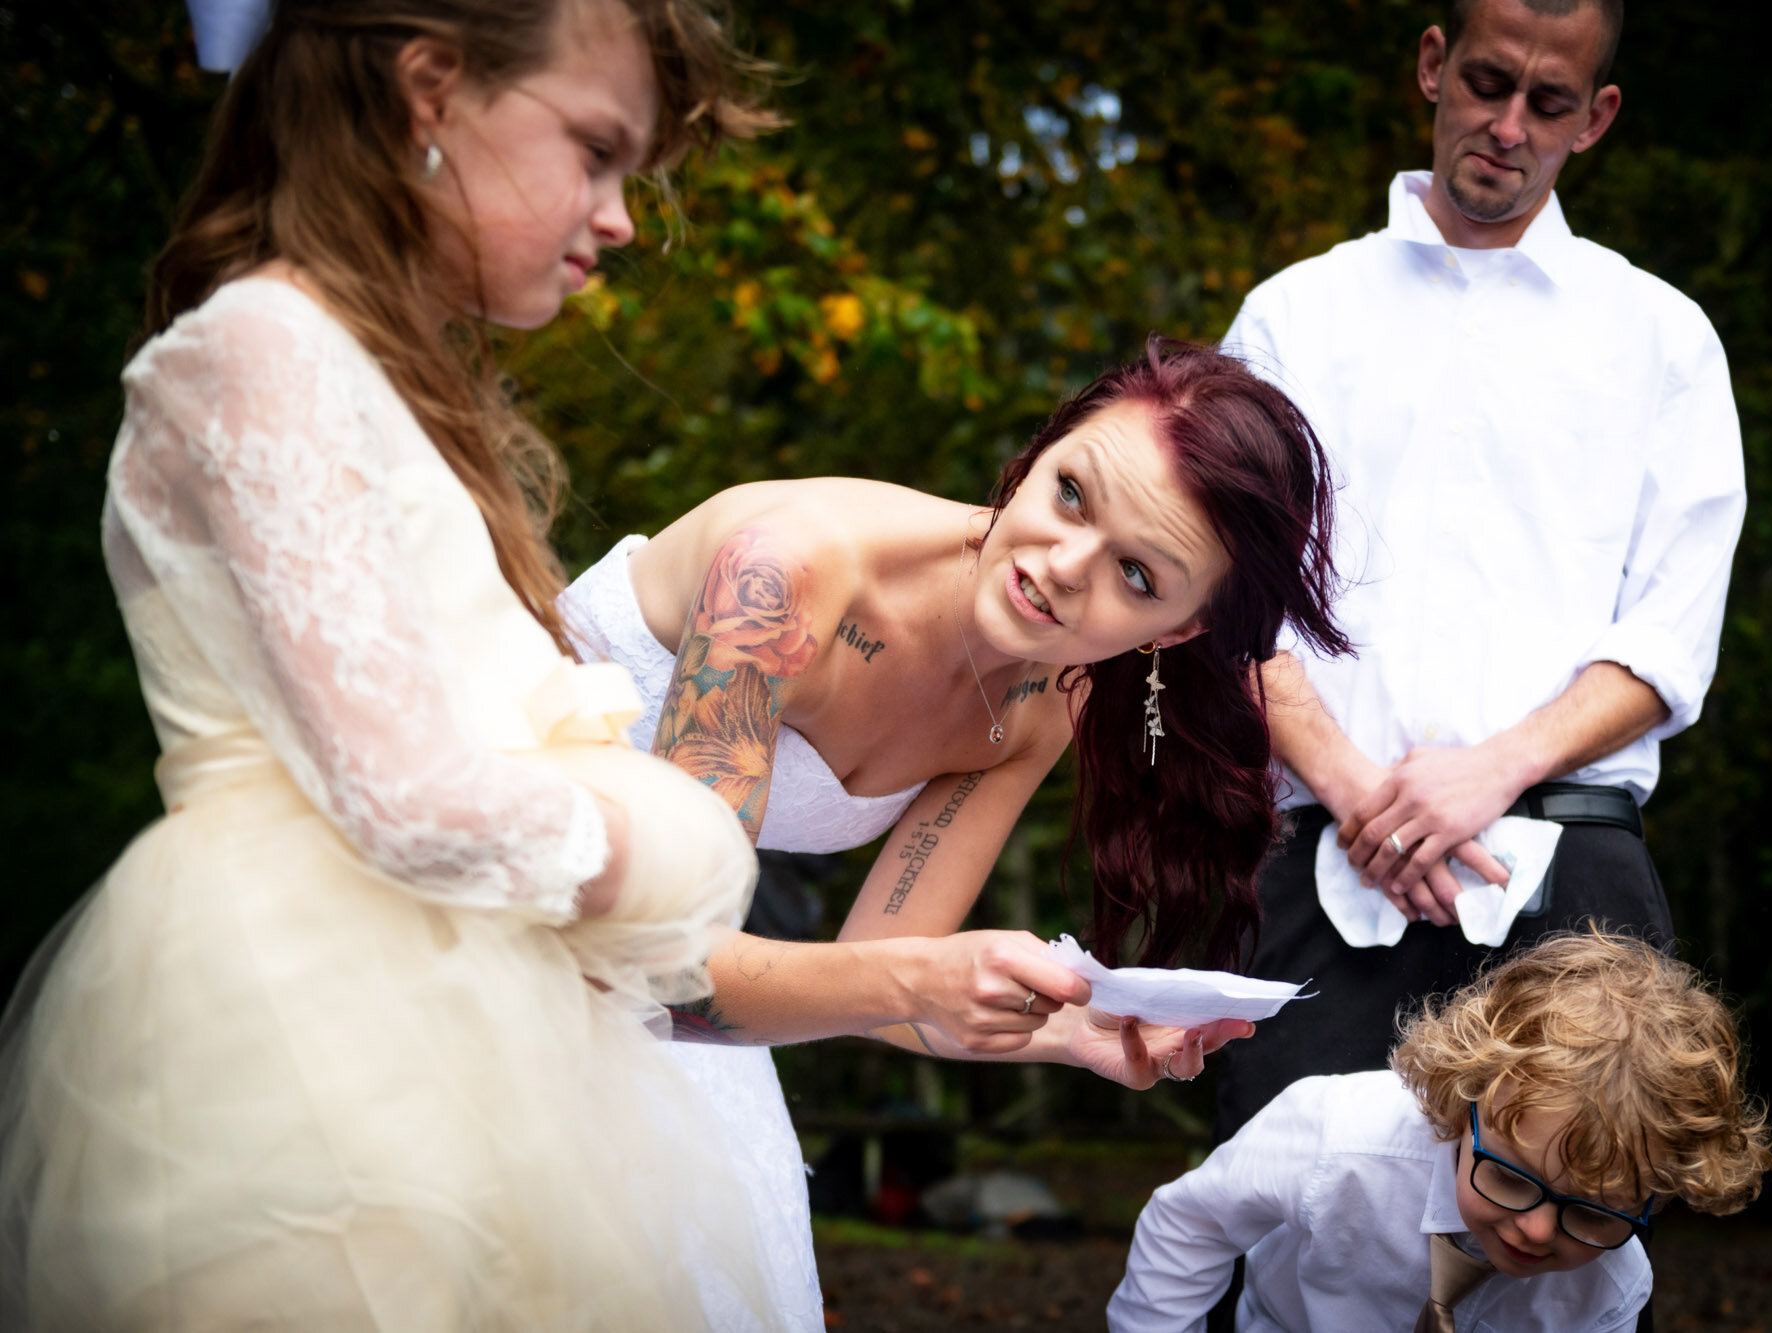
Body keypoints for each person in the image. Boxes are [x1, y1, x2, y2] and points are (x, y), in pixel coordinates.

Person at [0, 0, 789, 1326]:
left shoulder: (350, 368)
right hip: (314, 1033)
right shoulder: (257, 349)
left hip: (458, 1014)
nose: (620, 220)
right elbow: (413, 803)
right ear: (430, 89)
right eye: (596, 152)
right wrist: (686, 848)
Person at [557, 337, 1352, 1327]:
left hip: (660, 995)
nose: (1062, 567)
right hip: (494, 935)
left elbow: (879, 978)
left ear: (1176, 632)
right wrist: (919, 977)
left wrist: (1071, 1026)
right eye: (1070, 493)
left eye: (1137, 576)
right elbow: (661, 974)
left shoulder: (1035, 705)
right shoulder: (785, 572)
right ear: (1043, 448)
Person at [1215, 0, 1748, 1142]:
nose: (1507, 125)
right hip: (1320, 869)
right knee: (1284, 1268)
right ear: (1430, 65)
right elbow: (1227, 606)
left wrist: (1486, 772)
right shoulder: (1293, 318)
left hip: (1576, 891)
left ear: (1594, 118)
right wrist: (1367, 800)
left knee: (1566, 1279)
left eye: (1546, 102)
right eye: (1487, 83)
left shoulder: (1661, 338)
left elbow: (1667, 639)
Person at [1110, 930, 1772, 1332]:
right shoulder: (1338, 1137)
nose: (1538, 1230)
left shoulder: (1611, 1287)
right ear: (1464, 1104)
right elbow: (1189, 1223)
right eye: (1512, 1176)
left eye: (1593, 1212)